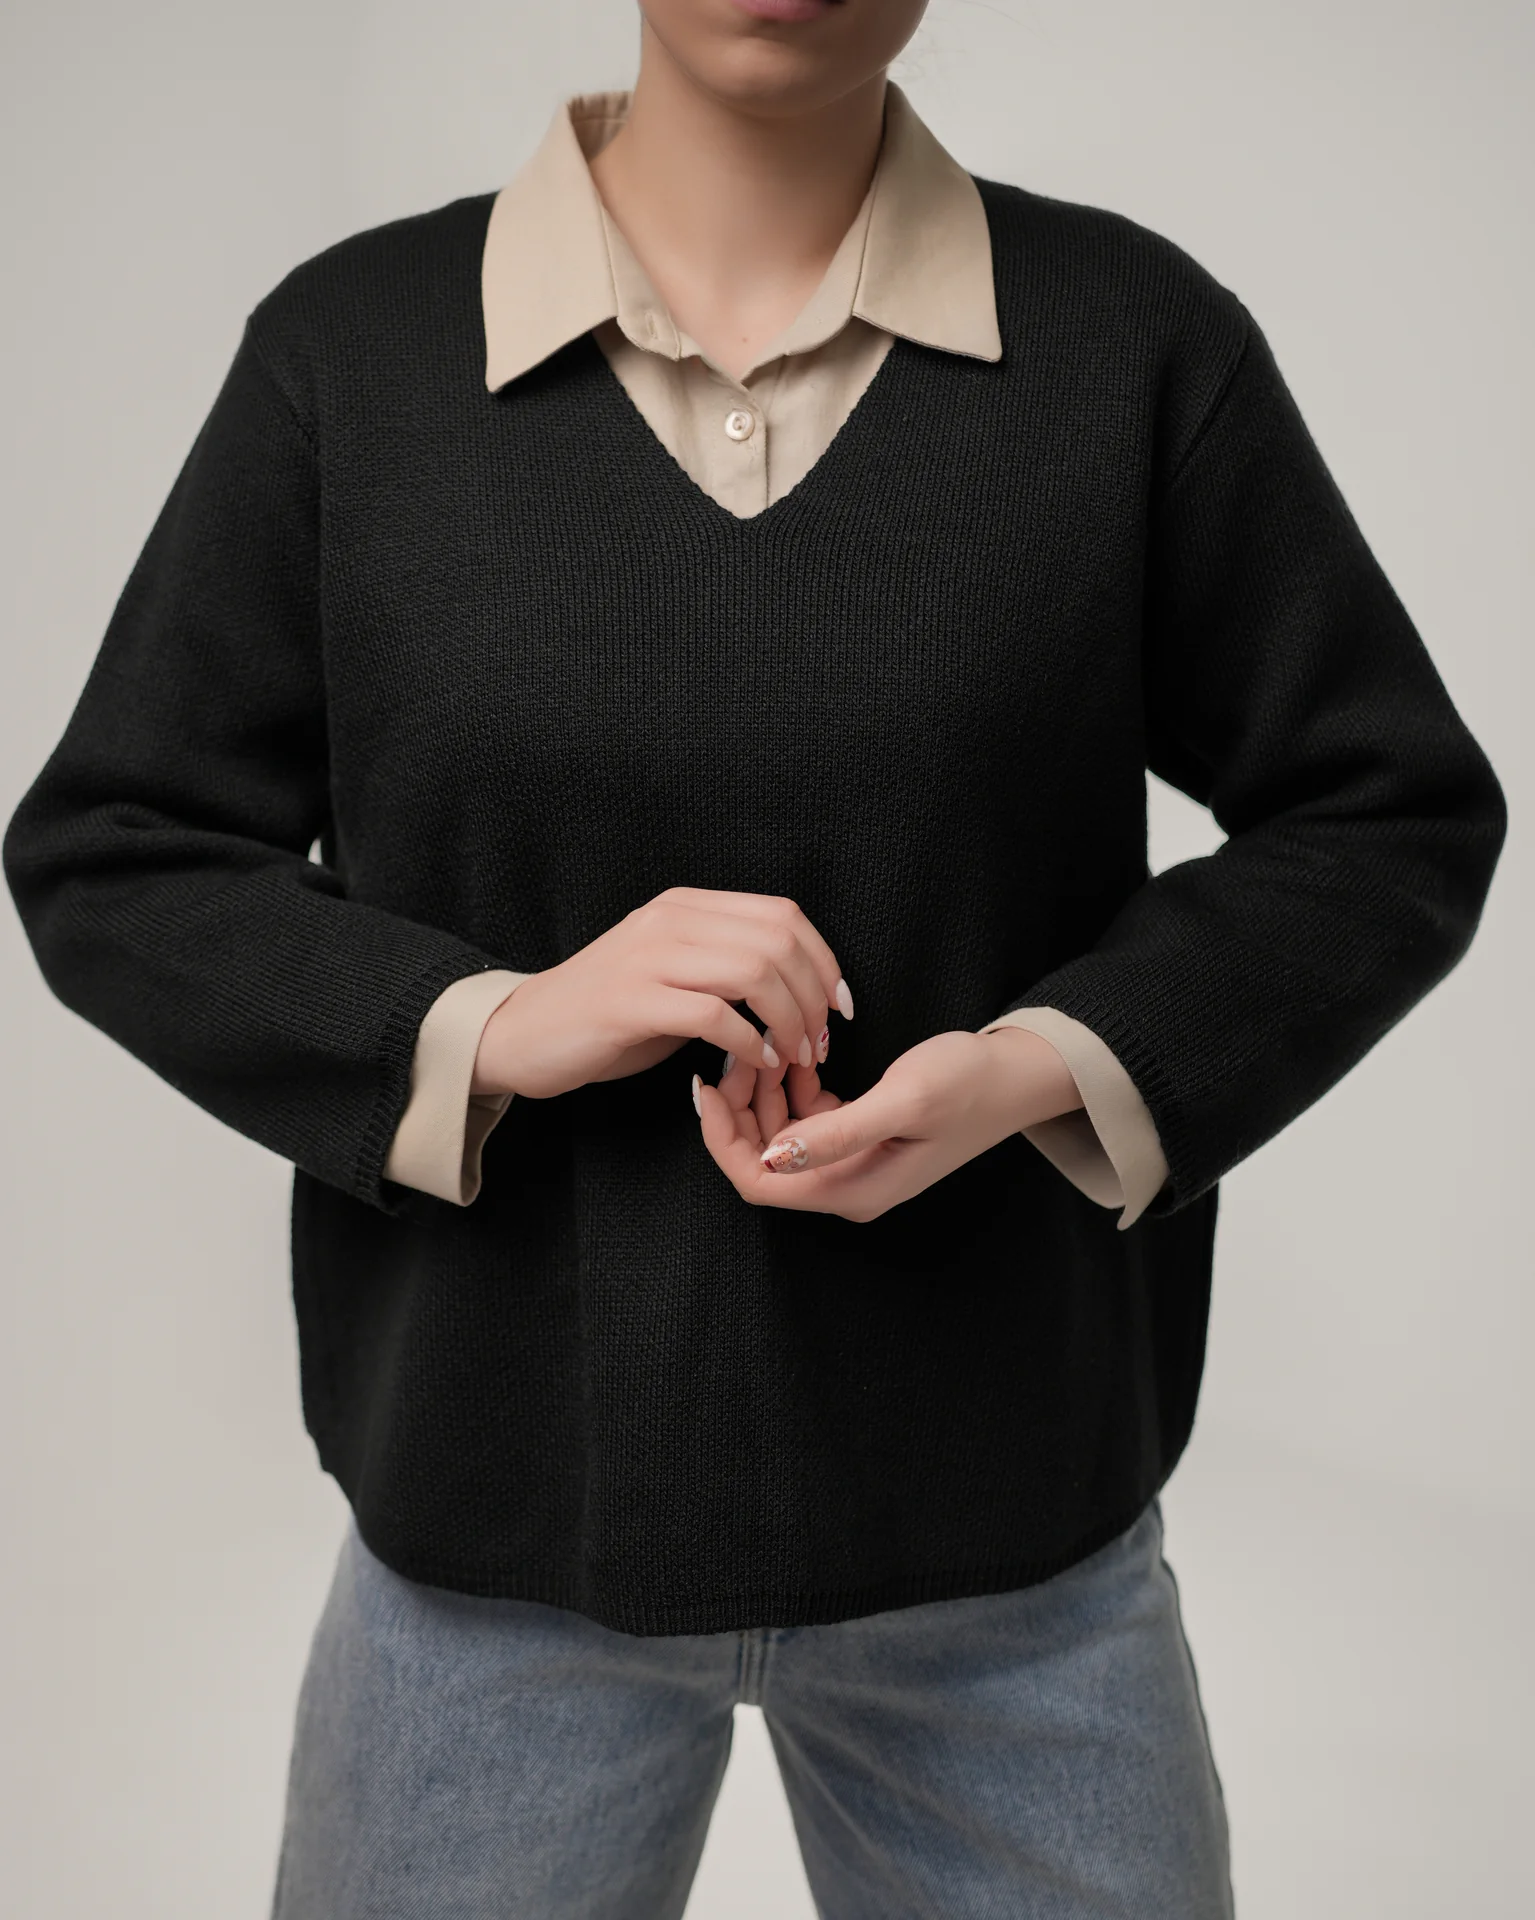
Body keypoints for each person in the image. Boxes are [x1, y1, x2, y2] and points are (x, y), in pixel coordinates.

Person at [1, 1, 1506, 1914]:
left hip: (1017, 1554)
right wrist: (494, 1026)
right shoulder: (350, 355)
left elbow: (1383, 814)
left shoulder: (1132, 343)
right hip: (487, 1545)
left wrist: (1037, 1067)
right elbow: (116, 852)